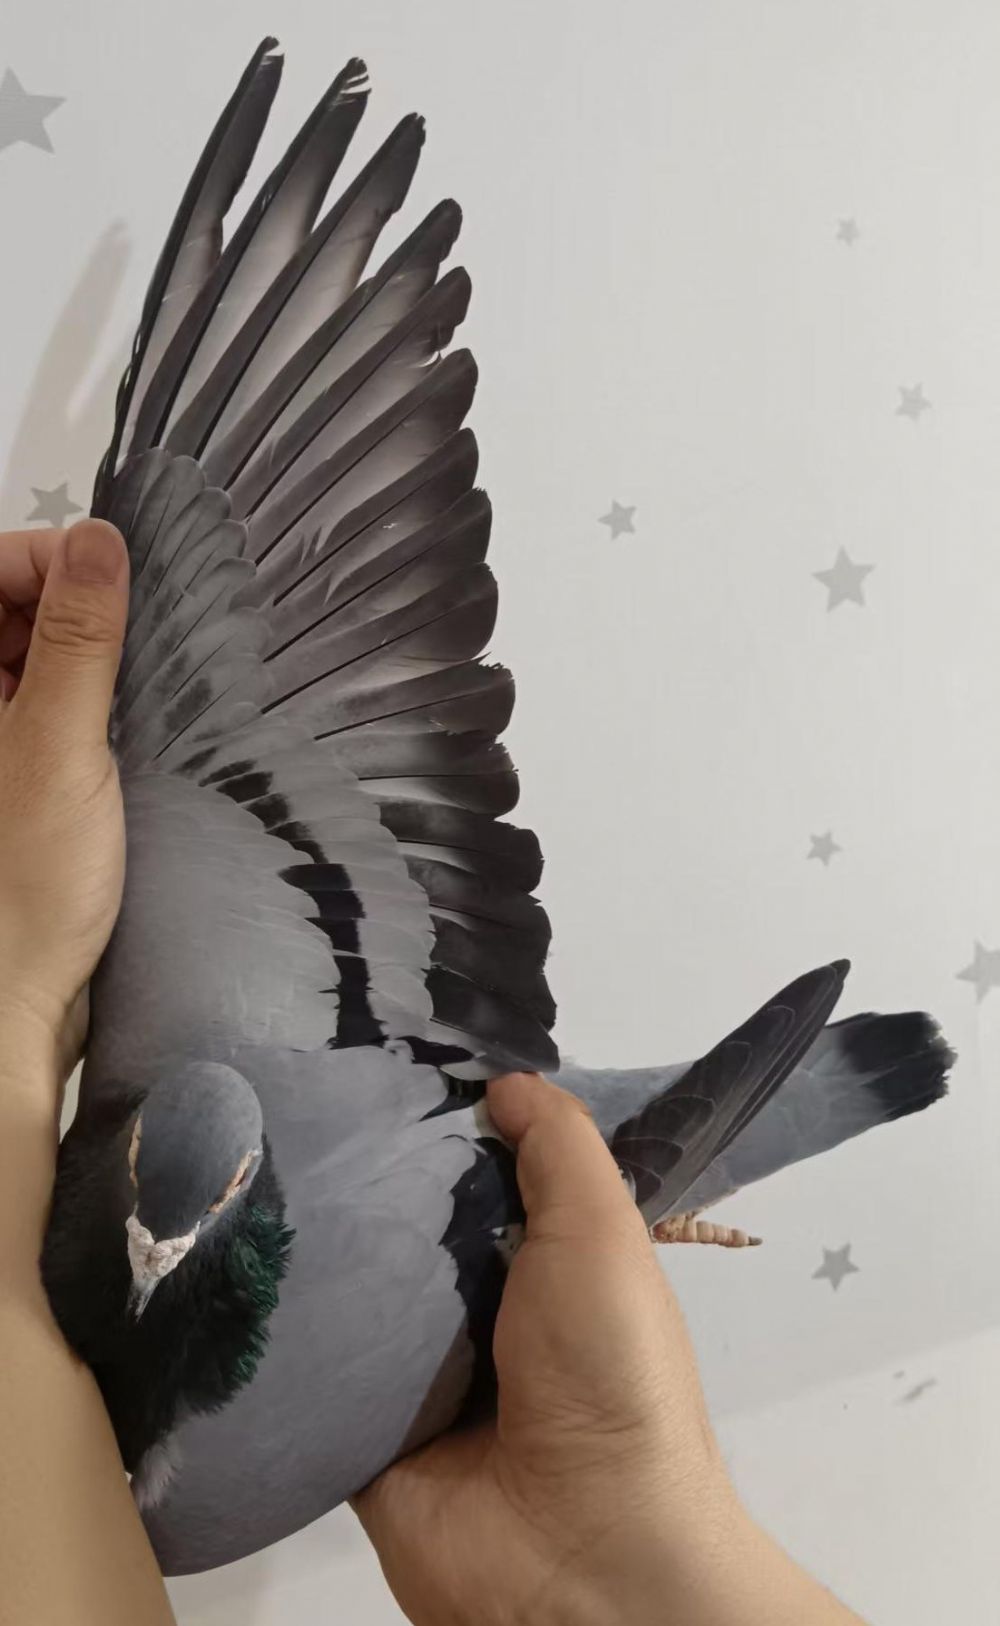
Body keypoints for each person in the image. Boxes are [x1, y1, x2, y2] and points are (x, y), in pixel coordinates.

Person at [0, 518, 866, 1626]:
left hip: (503, 1186)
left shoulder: (187, 1496)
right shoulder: (177, 1502)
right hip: (493, 1180)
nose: (153, 1254)